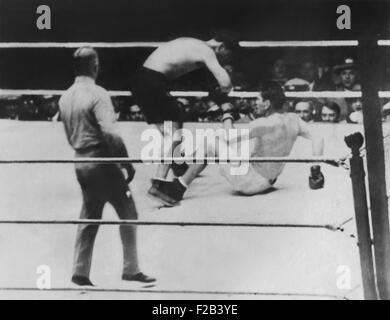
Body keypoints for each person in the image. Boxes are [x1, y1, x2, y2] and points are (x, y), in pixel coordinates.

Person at [59, 47, 155, 286]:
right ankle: (131, 269)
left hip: (80, 161)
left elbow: (69, 135)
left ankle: (80, 271)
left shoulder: (65, 96)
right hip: (102, 161)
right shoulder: (98, 93)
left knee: (90, 213)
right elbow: (111, 133)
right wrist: (126, 163)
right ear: (95, 66)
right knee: (128, 209)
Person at [149, 81, 325, 206]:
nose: (255, 103)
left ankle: (178, 188)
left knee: (212, 141)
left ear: (267, 103)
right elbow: (318, 137)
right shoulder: (294, 120)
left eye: (258, 99)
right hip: (268, 181)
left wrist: (226, 111)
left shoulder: (263, 124)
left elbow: (230, 135)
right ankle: (182, 172)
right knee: (238, 146)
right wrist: (315, 168)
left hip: (250, 183)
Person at [131, 32, 240, 202]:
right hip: (152, 81)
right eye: (227, 56)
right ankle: (159, 182)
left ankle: (178, 165)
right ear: (222, 47)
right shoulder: (207, 51)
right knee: (173, 133)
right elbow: (225, 84)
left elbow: (206, 82)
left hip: (144, 80)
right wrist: (225, 97)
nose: (225, 61)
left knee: (175, 120)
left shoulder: (194, 45)